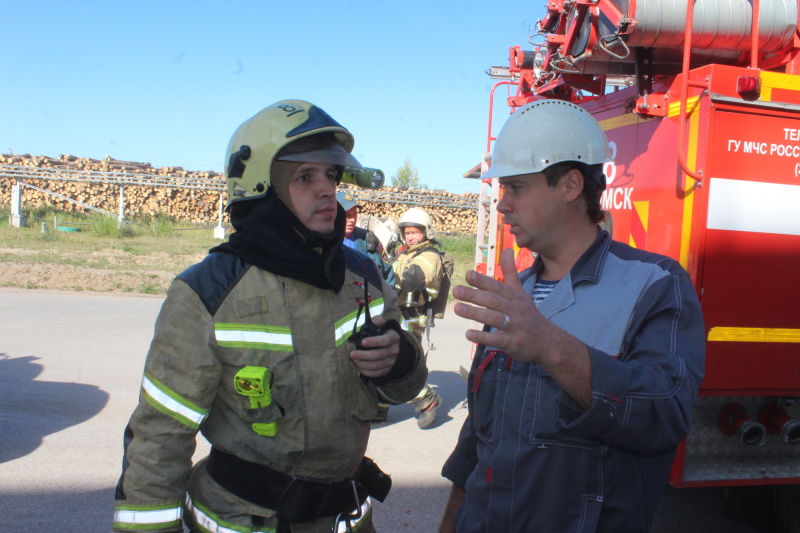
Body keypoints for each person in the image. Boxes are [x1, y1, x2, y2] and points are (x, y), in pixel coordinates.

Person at [113, 99, 428, 533]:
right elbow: (160, 436)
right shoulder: (207, 292)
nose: (327, 190)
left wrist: (402, 361)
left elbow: (407, 387)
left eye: (331, 175)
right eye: (304, 177)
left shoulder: (362, 275)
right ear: (262, 189)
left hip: (345, 519)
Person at [439, 100, 705, 533]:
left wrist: (550, 346)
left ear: (570, 185)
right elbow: (479, 437)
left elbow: (666, 411)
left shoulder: (654, 284)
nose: (503, 204)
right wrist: (450, 522)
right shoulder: (514, 294)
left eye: (516, 188)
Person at [390, 207, 445, 429]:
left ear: (426, 232)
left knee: (400, 362)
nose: (411, 236)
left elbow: (418, 277)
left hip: (413, 317)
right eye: (407, 232)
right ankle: (378, 406)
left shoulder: (430, 255)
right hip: (395, 312)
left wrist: (386, 268)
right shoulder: (403, 252)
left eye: (415, 232)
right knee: (383, 358)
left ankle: (426, 401)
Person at [337, 191, 396, 287]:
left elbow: (388, 274)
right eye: (347, 215)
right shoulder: (324, 241)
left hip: (371, 300)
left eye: (354, 214)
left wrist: (389, 299)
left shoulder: (368, 239)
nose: (352, 219)